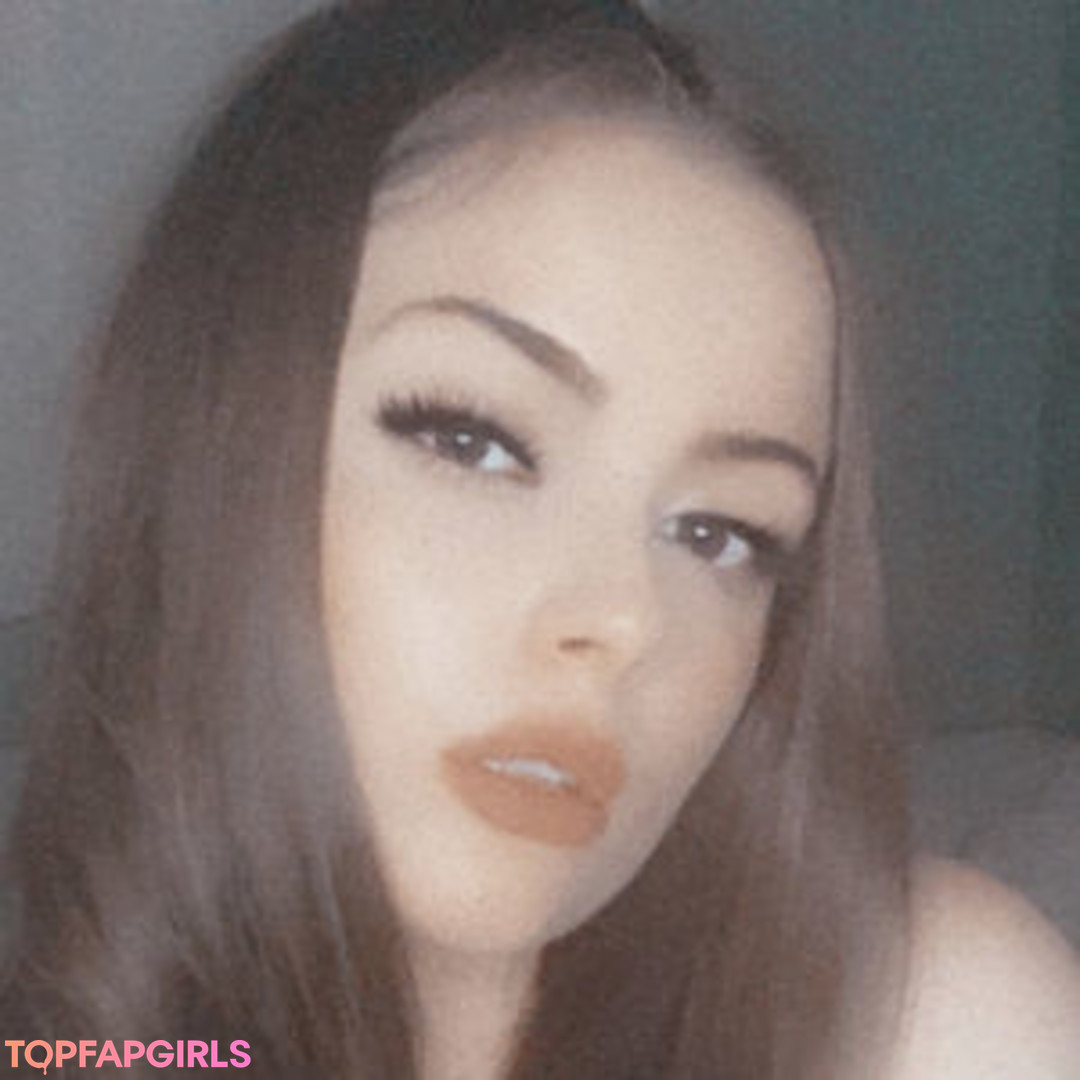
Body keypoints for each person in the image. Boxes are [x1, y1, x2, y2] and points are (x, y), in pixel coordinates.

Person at [2, 1, 1077, 1077]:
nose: (626, 618)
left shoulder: (927, 1022)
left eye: (720, 533)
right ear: (212, 437)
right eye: (472, 442)